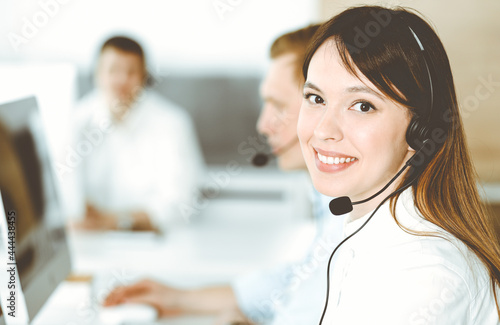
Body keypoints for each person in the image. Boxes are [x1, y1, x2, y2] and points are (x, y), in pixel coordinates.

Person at [104, 25, 346, 324]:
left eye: (279, 105)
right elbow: (302, 277)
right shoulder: (333, 200)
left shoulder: (357, 215)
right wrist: (181, 298)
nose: (263, 124)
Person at [297, 6, 500, 324]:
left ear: (420, 130)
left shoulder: (425, 275)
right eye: (316, 98)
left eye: (362, 105)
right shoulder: (365, 232)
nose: (323, 130)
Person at [72, 36, 205, 233]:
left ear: (144, 78)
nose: (122, 80)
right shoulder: (76, 121)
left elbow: (181, 203)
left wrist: (117, 221)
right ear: (97, 74)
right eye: (113, 70)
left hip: (154, 241)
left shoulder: (172, 123)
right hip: (88, 238)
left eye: (131, 72)